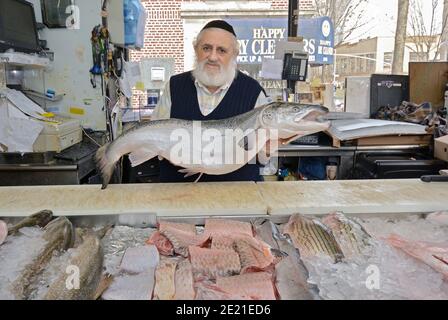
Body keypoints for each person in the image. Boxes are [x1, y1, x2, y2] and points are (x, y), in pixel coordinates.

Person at [152, 20, 273, 183]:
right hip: (177, 195)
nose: (213, 57)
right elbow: (154, 136)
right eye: (206, 48)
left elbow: (261, 158)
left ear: (234, 55)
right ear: (196, 50)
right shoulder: (174, 86)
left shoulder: (253, 91)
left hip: (238, 197)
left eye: (222, 50)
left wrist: (268, 147)